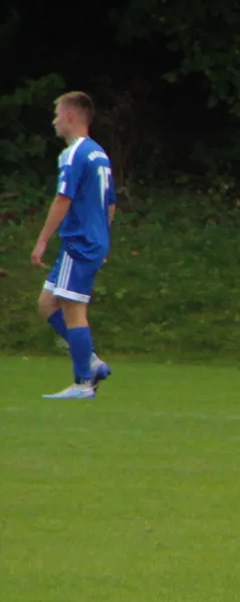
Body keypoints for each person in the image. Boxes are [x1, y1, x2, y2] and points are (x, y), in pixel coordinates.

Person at [30, 91, 115, 400]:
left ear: (69, 116)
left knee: (73, 310)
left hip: (78, 242)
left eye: (56, 115)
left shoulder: (75, 153)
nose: (54, 121)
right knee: (46, 303)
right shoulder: (99, 154)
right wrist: (103, 239)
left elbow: (63, 199)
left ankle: (83, 383)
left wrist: (42, 240)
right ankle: (90, 360)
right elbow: (110, 204)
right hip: (91, 241)